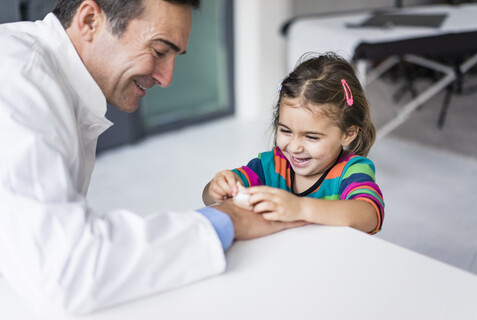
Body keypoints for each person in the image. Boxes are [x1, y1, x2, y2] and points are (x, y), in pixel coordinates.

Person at [0, 0, 305, 315]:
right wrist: (229, 219)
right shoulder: (17, 86)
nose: (167, 77)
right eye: (160, 51)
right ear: (90, 20)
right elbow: (64, 268)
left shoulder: (48, 78)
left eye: (174, 56)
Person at [203, 52, 385, 234]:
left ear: (348, 134)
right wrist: (217, 188)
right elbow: (209, 198)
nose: (294, 147)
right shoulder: (271, 165)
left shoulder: (352, 170)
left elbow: (370, 216)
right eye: (285, 131)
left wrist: (300, 208)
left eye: (312, 137)